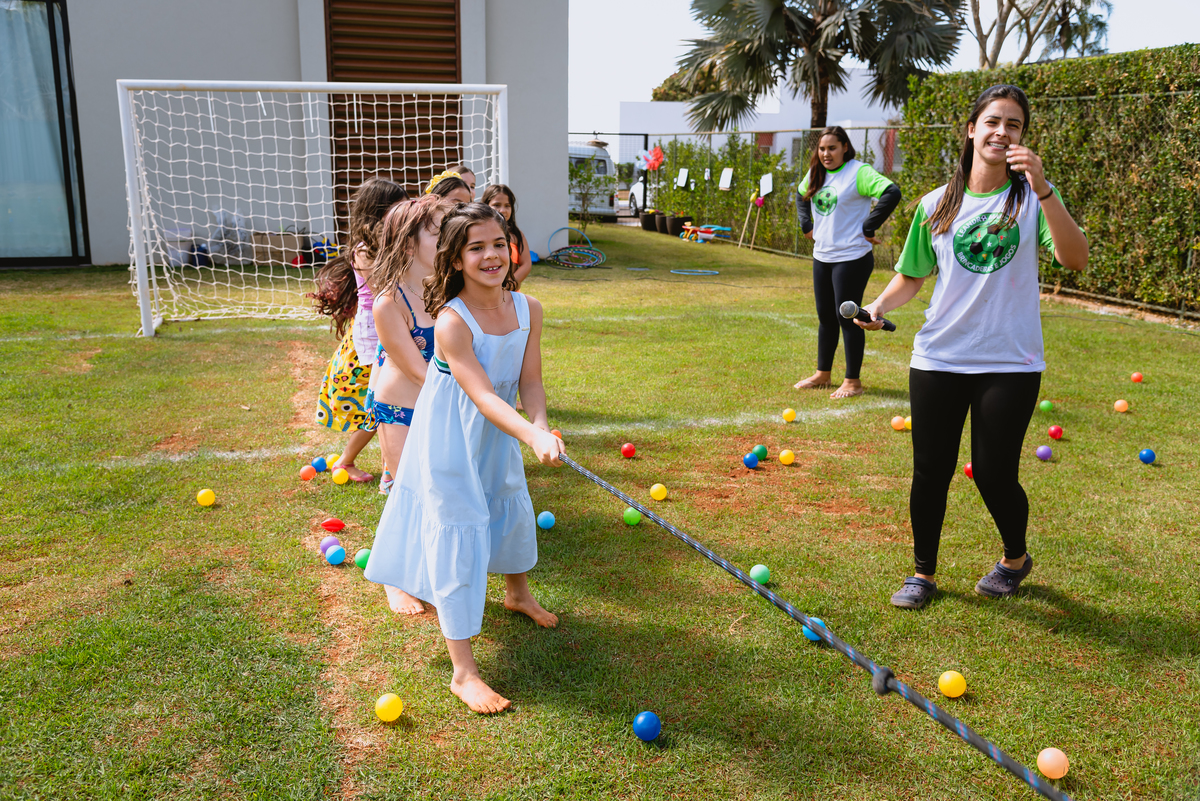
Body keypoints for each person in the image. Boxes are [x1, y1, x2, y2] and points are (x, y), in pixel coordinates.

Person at [854, 85, 1088, 609]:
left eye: (1015, 126)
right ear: (971, 129)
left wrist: (1045, 188)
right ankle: (923, 574)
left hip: (1011, 360)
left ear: (1023, 138)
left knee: (993, 471)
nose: (1003, 133)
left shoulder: (1033, 200)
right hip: (939, 356)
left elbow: (1075, 259)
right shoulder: (935, 204)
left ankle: (1015, 558)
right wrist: (880, 306)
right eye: (993, 122)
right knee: (930, 469)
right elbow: (913, 275)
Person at [364, 202, 562, 714]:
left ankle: (517, 593)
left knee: (508, 496)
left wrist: (538, 424)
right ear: (454, 260)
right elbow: (482, 396)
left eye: (499, 244)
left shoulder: (529, 309)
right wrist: (528, 433)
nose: (492, 255)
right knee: (459, 522)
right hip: (451, 431)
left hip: (499, 429)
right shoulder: (453, 322)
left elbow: (530, 382)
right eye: (476, 248)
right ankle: (464, 671)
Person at [367, 195, 453, 613]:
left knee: (435, 487)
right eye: (439, 233)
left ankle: (428, 566)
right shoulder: (389, 303)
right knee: (405, 489)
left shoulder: (450, 288)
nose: (449, 238)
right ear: (407, 245)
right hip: (399, 408)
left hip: (439, 402)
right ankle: (393, 580)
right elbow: (418, 370)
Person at [310, 177, 408, 480]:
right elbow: (386, 285)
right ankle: (364, 464)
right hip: (374, 330)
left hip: (388, 323)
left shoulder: (383, 243)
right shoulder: (365, 249)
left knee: (388, 400)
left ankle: (379, 465)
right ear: (380, 211)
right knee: (381, 401)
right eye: (397, 207)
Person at [794, 126, 902, 399]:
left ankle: (852, 381)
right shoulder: (816, 172)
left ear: (844, 147)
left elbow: (892, 192)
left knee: (848, 319)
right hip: (823, 256)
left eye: (832, 148)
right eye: (821, 149)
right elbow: (800, 194)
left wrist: (869, 226)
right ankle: (823, 374)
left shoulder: (858, 172)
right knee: (825, 318)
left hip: (852, 257)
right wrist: (806, 223)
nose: (826, 154)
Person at [482, 184, 533, 286]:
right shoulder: (478, 233)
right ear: (485, 205)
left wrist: (511, 284)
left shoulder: (517, 235)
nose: (502, 210)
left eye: (507, 206)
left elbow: (526, 264)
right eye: (497, 205)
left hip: (509, 290)